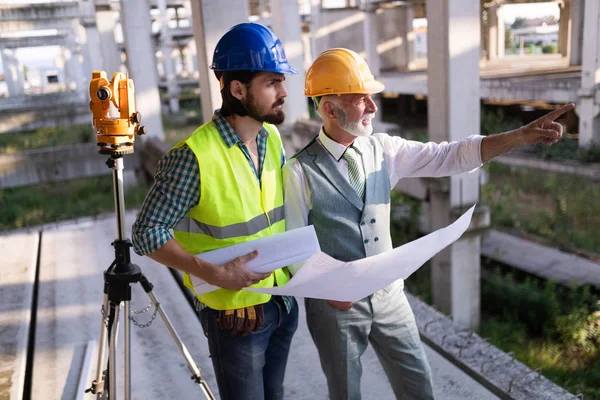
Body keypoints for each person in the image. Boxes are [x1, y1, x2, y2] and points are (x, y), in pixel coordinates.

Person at [283, 48, 573, 400]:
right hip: (335, 309)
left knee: (418, 385)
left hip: (390, 297)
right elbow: (296, 248)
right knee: (344, 391)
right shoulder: (298, 171)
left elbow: (451, 155)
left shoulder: (384, 149)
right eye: (362, 100)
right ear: (330, 109)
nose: (374, 107)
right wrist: (330, 290)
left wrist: (518, 137)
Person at [132, 23, 300, 400]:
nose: (284, 91)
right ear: (237, 89)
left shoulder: (271, 138)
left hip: (282, 302)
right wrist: (217, 275)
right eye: (272, 82)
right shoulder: (193, 156)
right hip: (236, 319)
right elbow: (147, 233)